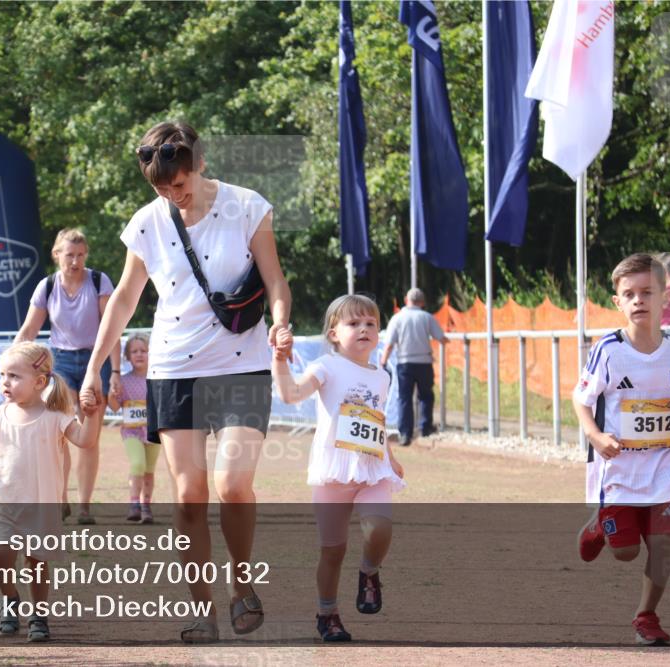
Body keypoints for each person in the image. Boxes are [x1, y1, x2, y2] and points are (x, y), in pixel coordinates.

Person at [79, 121, 292, 643]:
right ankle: (203, 610)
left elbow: (274, 279)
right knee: (189, 494)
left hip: (241, 363)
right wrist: (94, 366)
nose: (173, 195)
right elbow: (124, 299)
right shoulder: (147, 223)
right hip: (175, 368)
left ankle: (241, 583)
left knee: (232, 484)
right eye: (160, 188)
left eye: (178, 183)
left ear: (199, 163)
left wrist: (281, 322)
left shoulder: (247, 206)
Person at [573, 253, 670, 646]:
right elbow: (580, 399)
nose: (638, 300)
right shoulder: (609, 350)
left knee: (663, 546)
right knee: (626, 551)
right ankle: (600, 525)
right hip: (619, 470)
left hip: (665, 467)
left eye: (647, 292)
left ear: (665, 297)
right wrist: (596, 437)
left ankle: (646, 617)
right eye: (629, 294)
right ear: (618, 302)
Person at [0, 342, 99, 642]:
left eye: (14, 376)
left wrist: (92, 414)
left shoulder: (56, 417)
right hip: (0, 501)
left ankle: (39, 615)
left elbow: (86, 440)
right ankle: (9, 599)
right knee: (2, 556)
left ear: (39, 382)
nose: (5, 382)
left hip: (39, 505)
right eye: (2, 375)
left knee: (36, 562)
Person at [273, 294, 405, 642]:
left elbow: (376, 419)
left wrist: (390, 457)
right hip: (333, 471)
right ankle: (327, 614)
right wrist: (280, 360)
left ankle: (369, 572)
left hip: (372, 469)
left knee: (379, 529)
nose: (364, 328)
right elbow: (290, 394)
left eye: (371, 323)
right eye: (354, 323)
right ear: (333, 333)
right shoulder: (326, 366)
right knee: (332, 550)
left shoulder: (382, 376)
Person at [14, 228, 121, 525]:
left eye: (81, 255)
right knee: (60, 430)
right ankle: (60, 499)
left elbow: (112, 327)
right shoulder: (47, 286)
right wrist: (11, 362)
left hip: (95, 360)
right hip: (60, 361)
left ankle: (85, 506)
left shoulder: (98, 281)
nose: (75, 261)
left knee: (89, 434)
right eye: (70, 255)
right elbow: (29, 329)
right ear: (57, 254)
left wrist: (114, 371)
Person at [379, 287, 445, 446]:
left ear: (406, 300)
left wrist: (383, 362)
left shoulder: (397, 318)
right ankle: (425, 428)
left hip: (404, 363)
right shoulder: (427, 317)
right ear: (422, 302)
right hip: (424, 362)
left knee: (404, 398)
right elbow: (441, 337)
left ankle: (405, 434)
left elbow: (389, 344)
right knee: (426, 396)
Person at [107, 334, 159, 524]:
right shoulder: (123, 381)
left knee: (149, 470)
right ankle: (134, 504)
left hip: (153, 432)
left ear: (151, 353)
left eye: (143, 351)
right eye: (134, 351)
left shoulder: (157, 379)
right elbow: (114, 406)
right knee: (137, 464)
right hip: (131, 432)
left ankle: (146, 506)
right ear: (127, 356)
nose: (139, 354)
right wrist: (112, 393)